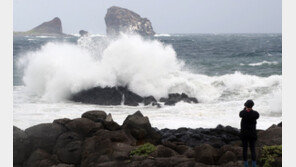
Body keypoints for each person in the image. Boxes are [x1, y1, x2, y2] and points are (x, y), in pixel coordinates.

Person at [239, 100, 260, 167]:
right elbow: (255, 114)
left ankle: (246, 165)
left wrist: (245, 108)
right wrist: (249, 109)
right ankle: (254, 165)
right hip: (252, 134)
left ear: (245, 106)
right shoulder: (255, 114)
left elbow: (241, 113)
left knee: (245, 149)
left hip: (244, 134)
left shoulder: (242, 113)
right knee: (252, 149)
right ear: (252, 106)